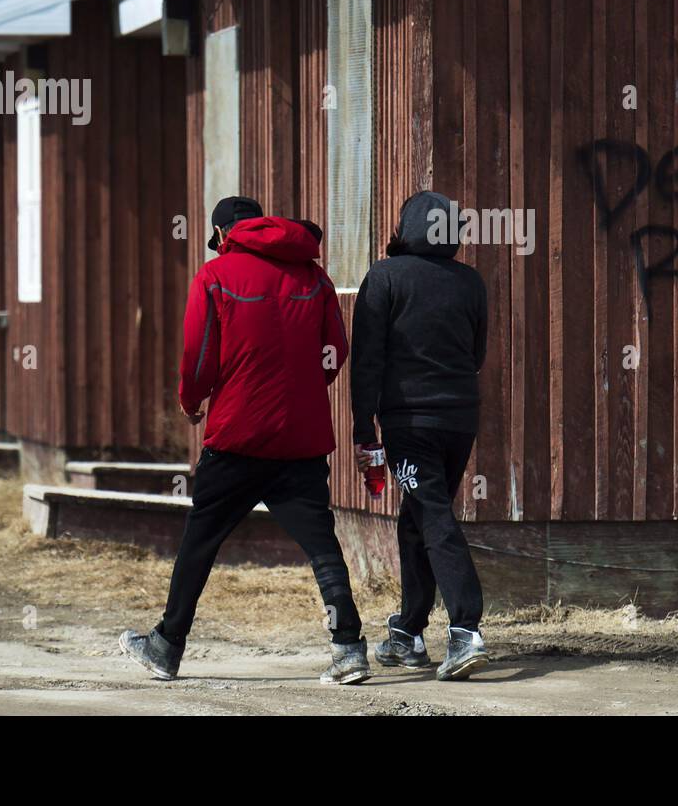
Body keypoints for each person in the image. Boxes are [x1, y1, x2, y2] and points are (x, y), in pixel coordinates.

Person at [121, 197, 370, 685]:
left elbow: (199, 357)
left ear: (221, 233)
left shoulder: (215, 277)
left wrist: (191, 401)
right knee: (321, 544)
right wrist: (301, 389)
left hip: (236, 436)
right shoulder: (313, 276)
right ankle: (349, 650)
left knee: (201, 540)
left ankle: (166, 646)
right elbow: (334, 350)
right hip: (301, 439)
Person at [351, 190, 489, 681]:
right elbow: (476, 354)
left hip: (410, 424)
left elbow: (367, 362)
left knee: (431, 517)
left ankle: (466, 629)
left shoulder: (384, 278)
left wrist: (363, 428)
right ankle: (408, 632)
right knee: (417, 518)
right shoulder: (470, 282)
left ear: (406, 227)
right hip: (459, 420)